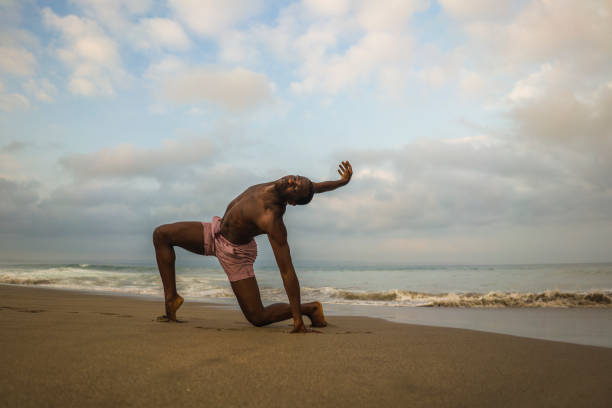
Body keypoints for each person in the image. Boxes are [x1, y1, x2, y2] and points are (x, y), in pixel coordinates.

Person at [152, 161, 353, 333]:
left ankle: (309, 309)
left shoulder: (270, 217)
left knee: (258, 317)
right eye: (297, 178)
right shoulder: (285, 185)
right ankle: (172, 298)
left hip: (235, 254)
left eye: (295, 188)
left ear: (291, 202)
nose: (292, 181)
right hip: (216, 231)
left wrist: (297, 321)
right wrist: (342, 182)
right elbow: (315, 187)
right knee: (161, 235)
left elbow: (286, 271)